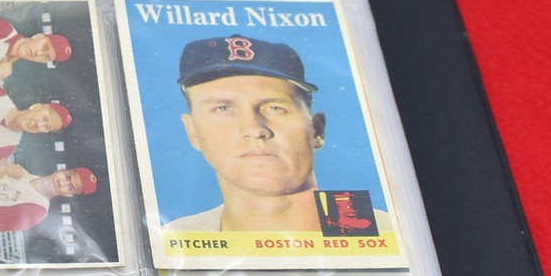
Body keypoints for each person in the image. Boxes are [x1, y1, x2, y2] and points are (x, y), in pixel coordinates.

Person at [165, 35, 389, 236]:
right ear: (192, 131)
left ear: (317, 129)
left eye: (275, 108)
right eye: (223, 108)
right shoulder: (174, 239)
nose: (254, 129)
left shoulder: (390, 232)